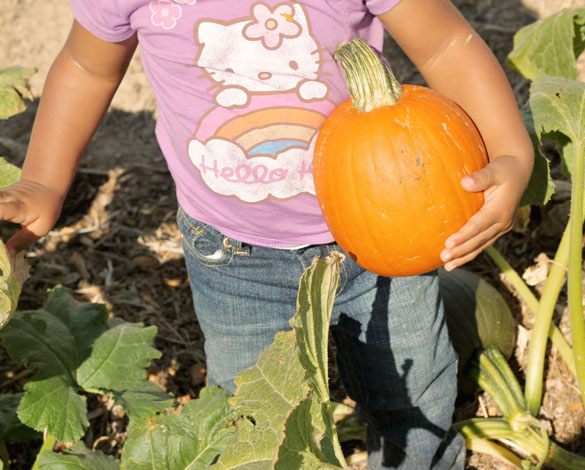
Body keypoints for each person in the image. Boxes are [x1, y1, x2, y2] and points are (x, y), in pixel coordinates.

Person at [0, 0, 533, 467]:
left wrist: (511, 150)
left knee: (413, 399)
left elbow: (445, 45)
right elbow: (85, 68)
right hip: (234, 257)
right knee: (253, 419)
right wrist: (44, 181)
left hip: (389, 234)